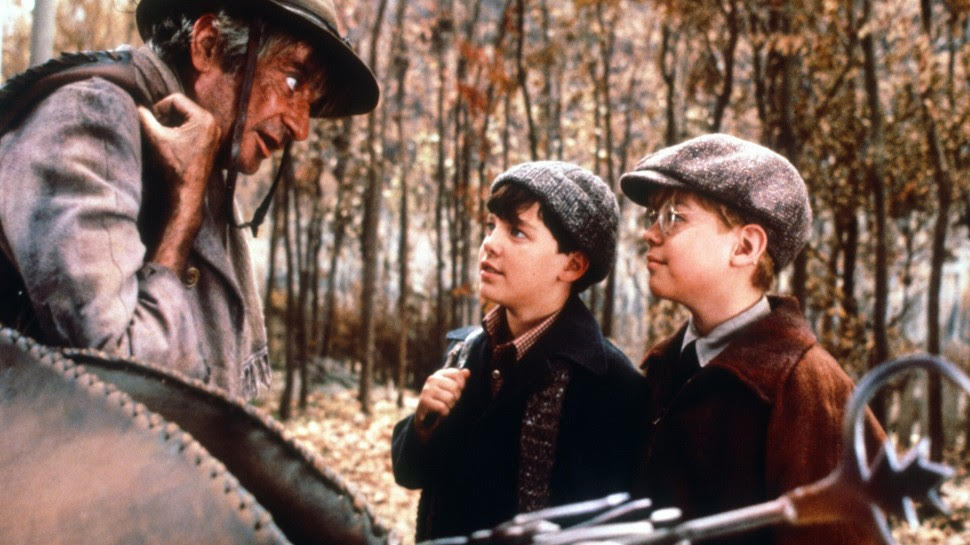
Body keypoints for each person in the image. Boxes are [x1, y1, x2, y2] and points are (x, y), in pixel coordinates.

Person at [0, 0, 378, 399]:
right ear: (208, 45)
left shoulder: (206, 169)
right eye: (292, 81)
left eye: (311, 102)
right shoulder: (90, 115)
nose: (301, 127)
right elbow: (119, 375)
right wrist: (184, 209)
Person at [619, 133, 885, 545]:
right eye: (653, 216)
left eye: (674, 217)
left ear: (745, 246)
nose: (650, 233)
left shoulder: (806, 388)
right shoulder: (665, 366)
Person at [391, 161, 646, 540]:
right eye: (491, 225)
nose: (490, 244)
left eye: (517, 232)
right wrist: (422, 426)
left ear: (573, 264)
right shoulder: (465, 350)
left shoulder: (610, 385)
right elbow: (410, 472)